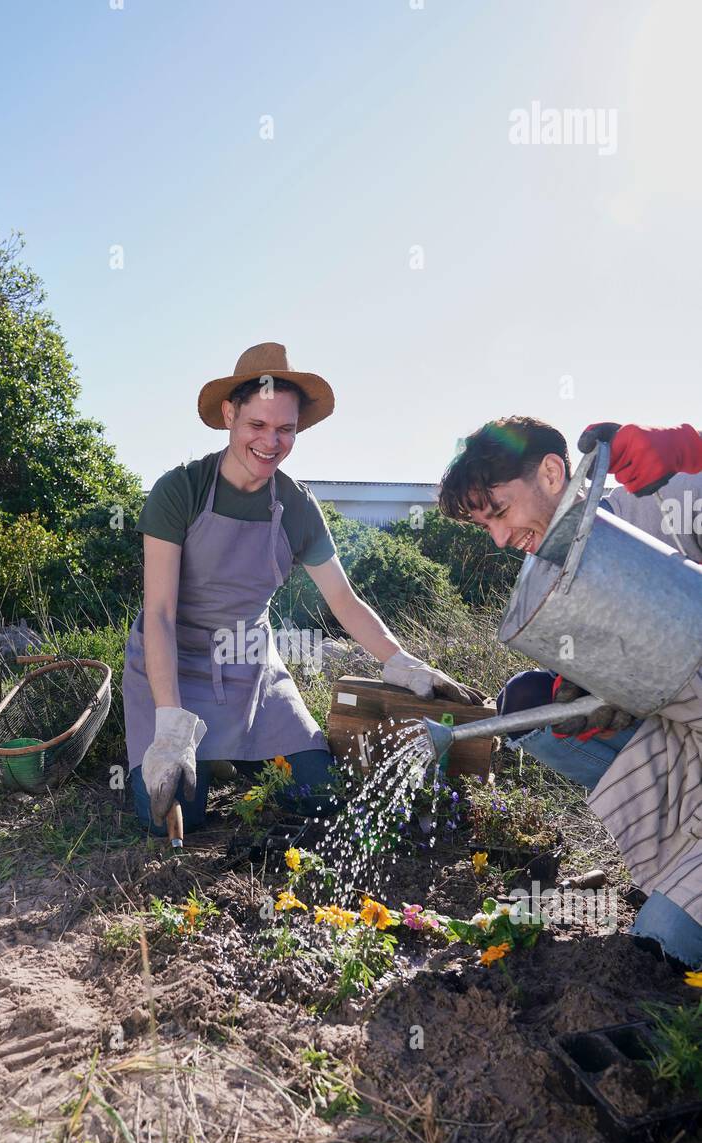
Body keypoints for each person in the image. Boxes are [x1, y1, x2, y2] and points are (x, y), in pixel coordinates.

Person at [123, 342, 475, 836]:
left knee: (321, 795)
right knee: (171, 819)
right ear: (229, 414)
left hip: (251, 669)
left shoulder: (297, 507)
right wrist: (169, 727)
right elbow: (158, 613)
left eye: (285, 429)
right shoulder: (179, 491)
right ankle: (199, 753)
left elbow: (343, 600)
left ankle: (236, 755)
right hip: (171, 667)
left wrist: (401, 663)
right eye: (257, 426)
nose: (271, 442)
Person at [438, 417, 702, 968]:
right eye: (485, 526)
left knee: (656, 949)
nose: (501, 539)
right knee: (532, 705)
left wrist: (687, 448)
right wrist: (593, 691)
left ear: (554, 473)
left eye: (501, 512)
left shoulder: (665, 495)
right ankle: (675, 854)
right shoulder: (557, 577)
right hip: (687, 748)